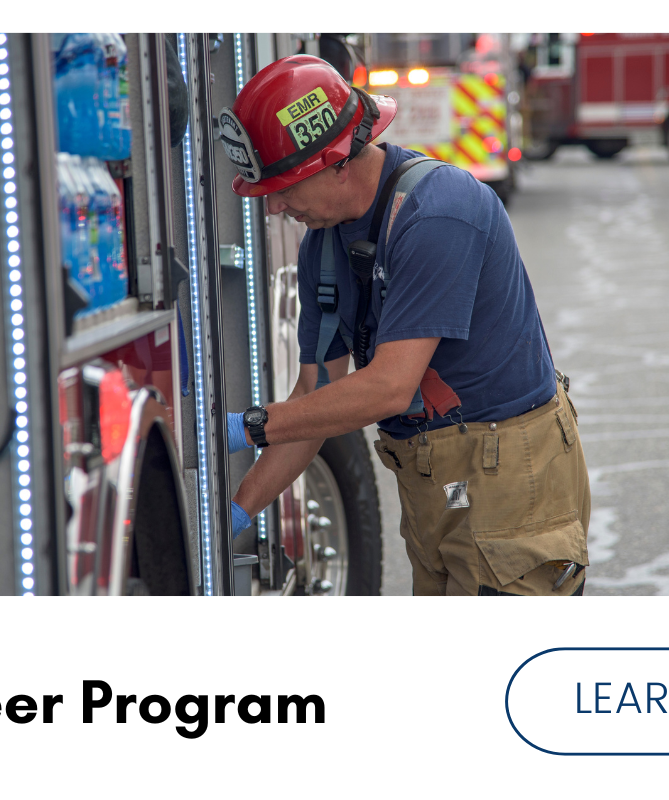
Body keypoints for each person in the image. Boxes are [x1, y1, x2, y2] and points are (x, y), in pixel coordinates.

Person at [216, 55, 590, 596]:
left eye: (284, 186)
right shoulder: (324, 247)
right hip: (436, 490)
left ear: (337, 161)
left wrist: (246, 427)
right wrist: (237, 511)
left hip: (511, 487)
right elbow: (313, 401)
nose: (274, 207)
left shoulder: (438, 213)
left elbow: (390, 387)